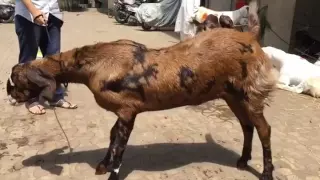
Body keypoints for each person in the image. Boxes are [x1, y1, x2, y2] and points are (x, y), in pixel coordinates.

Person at [14, 0, 77, 115]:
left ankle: (55, 96)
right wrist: (34, 12)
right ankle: (30, 99)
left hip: (52, 12)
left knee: (54, 59)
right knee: (29, 60)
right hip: (28, 15)